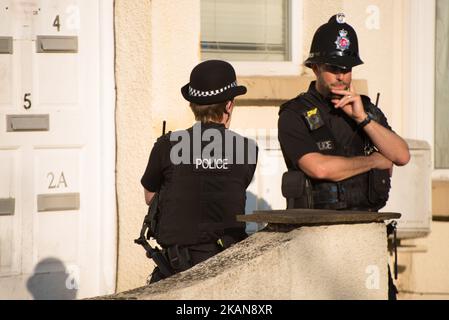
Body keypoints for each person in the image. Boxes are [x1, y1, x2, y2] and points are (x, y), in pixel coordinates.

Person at [277, 14, 410, 299]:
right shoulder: (294, 114)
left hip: (366, 233)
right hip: (317, 242)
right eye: (333, 68)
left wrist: (363, 120)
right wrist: (374, 160)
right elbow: (320, 168)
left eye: (347, 69)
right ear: (314, 68)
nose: (342, 76)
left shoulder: (365, 109)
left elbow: (401, 155)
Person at [141, 60, 258, 284]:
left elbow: (150, 198)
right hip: (227, 270)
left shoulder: (167, 145)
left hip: (175, 270)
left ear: (192, 105)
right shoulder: (248, 149)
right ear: (229, 105)